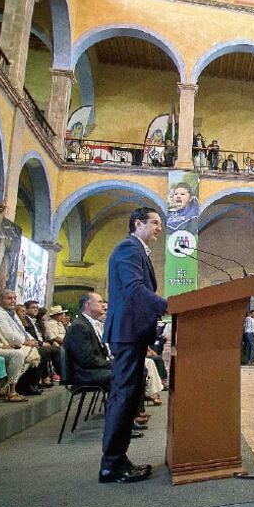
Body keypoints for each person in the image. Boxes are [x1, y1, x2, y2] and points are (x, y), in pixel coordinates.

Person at [99, 207, 170, 483]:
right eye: (154, 222)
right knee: (124, 396)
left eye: (160, 224)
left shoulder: (136, 250)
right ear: (138, 223)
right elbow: (134, 289)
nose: (159, 228)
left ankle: (118, 459)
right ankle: (112, 464)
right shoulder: (129, 249)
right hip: (128, 333)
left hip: (131, 332)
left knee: (128, 396)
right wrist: (169, 306)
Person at [0, 289, 43, 396]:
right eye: (9, 298)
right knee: (30, 353)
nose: (13, 301)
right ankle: (8, 387)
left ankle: (9, 386)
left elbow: (22, 331)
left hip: (17, 343)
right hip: (5, 344)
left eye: (14, 298)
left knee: (34, 351)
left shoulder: (12, 313)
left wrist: (31, 340)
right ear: (0, 300)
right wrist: (26, 342)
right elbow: (9, 335)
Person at [64, 292, 112, 388]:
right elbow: (86, 359)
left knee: (135, 370)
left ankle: (122, 402)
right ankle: (120, 403)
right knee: (129, 374)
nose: (103, 306)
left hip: (92, 370)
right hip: (84, 374)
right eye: (99, 302)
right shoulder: (79, 326)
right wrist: (112, 364)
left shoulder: (89, 323)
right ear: (88, 305)